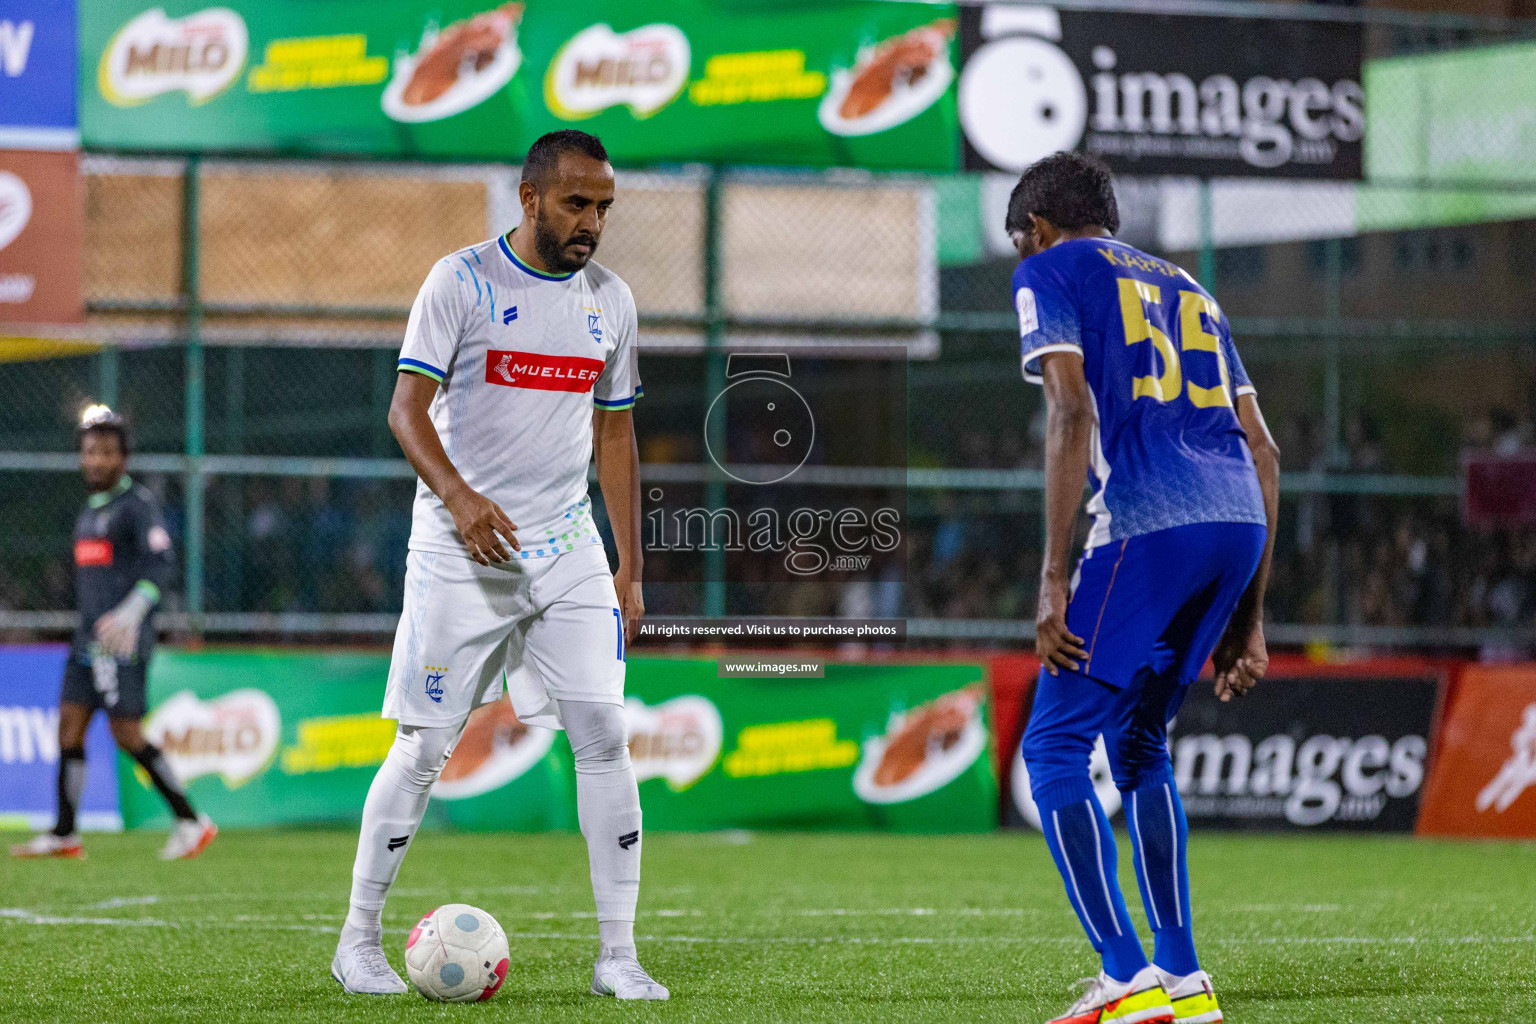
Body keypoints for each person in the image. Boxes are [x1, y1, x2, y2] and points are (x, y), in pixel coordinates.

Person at [330, 130, 664, 1000]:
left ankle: (618, 956)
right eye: (576, 204)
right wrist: (460, 498)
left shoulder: (611, 301)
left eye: (603, 208)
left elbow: (616, 429)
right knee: (425, 745)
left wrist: (628, 567)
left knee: (603, 735)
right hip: (460, 548)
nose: (592, 222)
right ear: (530, 199)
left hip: (565, 548)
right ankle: (357, 941)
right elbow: (406, 409)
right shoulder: (462, 281)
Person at [1011, 154, 1279, 1024]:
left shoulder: (1049, 268)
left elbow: (1072, 409)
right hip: (1238, 522)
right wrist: (1253, 614)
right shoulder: (1193, 289)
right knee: (1139, 745)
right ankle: (1184, 975)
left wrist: (1054, 579)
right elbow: (1265, 449)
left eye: (1024, 237)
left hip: (1146, 522)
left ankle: (1126, 979)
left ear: (1038, 228)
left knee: (1052, 751)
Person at [11, 405, 217, 861]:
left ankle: (190, 819)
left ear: (123, 458)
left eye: (107, 452)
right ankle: (65, 833)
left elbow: (161, 563)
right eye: (90, 452)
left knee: (126, 732)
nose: (97, 460)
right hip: (86, 640)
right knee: (69, 726)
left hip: (121, 642)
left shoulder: (137, 507)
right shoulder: (88, 510)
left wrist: (132, 611)